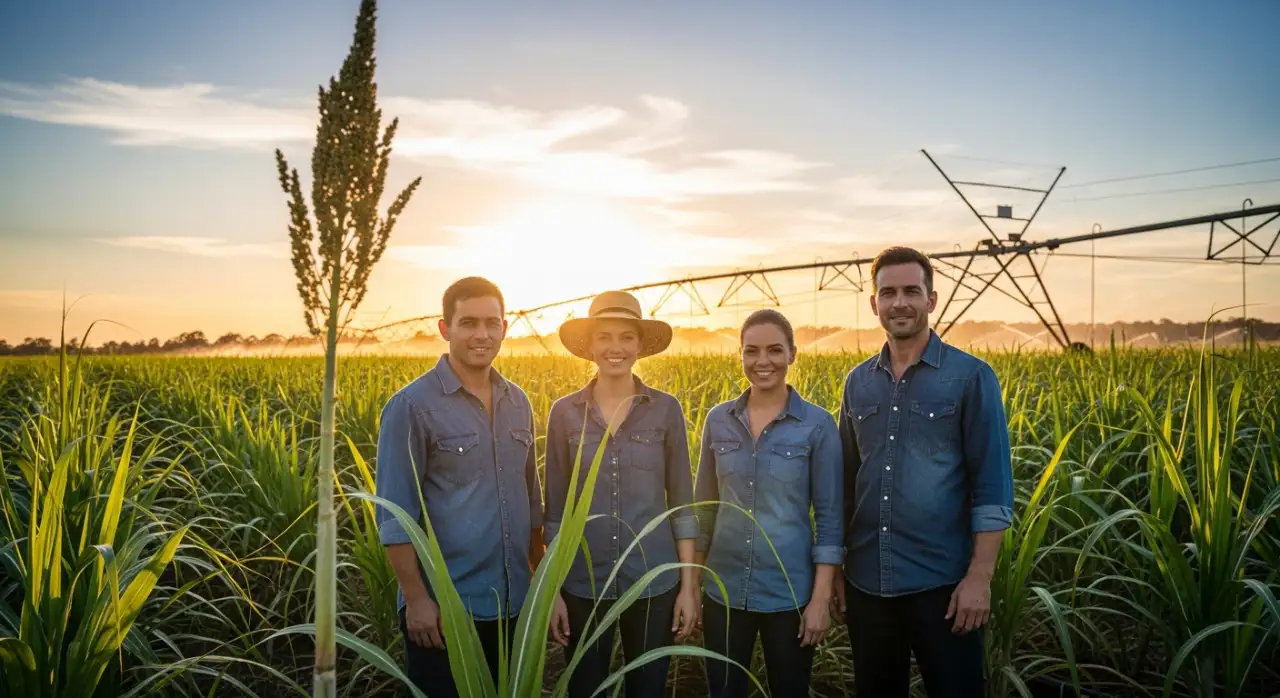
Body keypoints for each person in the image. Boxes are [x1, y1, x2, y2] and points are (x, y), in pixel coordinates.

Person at [833, 247, 1014, 698]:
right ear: (873, 303)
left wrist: (979, 578)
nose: (900, 303)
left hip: (945, 586)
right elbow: (845, 486)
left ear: (932, 300)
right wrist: (834, 569)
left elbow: (992, 486)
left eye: (911, 291)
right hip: (867, 583)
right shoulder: (858, 382)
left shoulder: (970, 377)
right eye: (888, 293)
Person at [374, 276, 544, 698]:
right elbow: (395, 516)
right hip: (447, 609)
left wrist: (540, 582)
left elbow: (530, 496)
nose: (482, 334)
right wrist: (416, 600)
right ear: (445, 328)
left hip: (513, 603)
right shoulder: (411, 407)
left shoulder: (517, 400)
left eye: (492, 323)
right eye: (468, 322)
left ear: (505, 327)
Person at [542, 290, 701, 698]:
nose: (616, 348)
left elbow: (683, 506)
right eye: (605, 337)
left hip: (652, 581)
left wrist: (687, 586)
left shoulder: (666, 410)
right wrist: (553, 591)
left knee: (647, 688)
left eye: (626, 337)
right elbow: (556, 511)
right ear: (591, 346)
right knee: (585, 687)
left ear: (640, 345)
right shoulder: (564, 413)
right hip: (581, 582)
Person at [693, 309, 844, 698]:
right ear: (740, 355)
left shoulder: (818, 425)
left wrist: (820, 599)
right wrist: (692, 585)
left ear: (793, 354)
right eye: (752, 351)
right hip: (722, 591)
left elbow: (829, 518)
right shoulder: (718, 420)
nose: (763, 362)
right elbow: (703, 508)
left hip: (789, 593)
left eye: (775, 350)